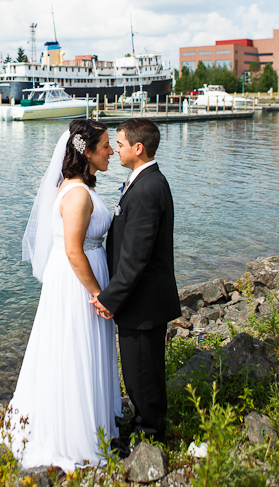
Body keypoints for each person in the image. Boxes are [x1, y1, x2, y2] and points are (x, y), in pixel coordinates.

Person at [0, 119, 122, 471]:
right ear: (87, 152)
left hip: (74, 280)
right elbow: (73, 250)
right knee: (75, 350)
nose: (111, 151)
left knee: (69, 349)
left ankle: (83, 423)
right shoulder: (77, 193)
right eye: (106, 145)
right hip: (78, 283)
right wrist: (100, 294)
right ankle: (75, 437)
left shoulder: (72, 185)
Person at [91, 118, 180, 448]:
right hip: (143, 299)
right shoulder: (143, 181)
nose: (116, 149)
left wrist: (109, 297)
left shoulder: (146, 189)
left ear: (138, 149)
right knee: (140, 369)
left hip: (143, 300)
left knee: (142, 372)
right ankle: (144, 423)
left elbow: (135, 257)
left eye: (120, 144)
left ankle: (150, 437)